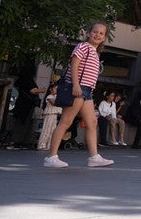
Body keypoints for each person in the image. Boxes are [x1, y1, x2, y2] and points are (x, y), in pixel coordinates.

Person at [43, 22, 114, 168]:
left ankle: (94, 157)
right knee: (66, 122)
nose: (98, 35)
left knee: (92, 123)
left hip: (86, 92)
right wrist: (75, 85)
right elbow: (74, 65)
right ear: (88, 33)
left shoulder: (95, 52)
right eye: (95, 32)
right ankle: (51, 157)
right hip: (78, 88)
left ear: (104, 37)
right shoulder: (83, 47)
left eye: (101, 33)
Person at [8, 66, 41, 149]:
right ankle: (19, 142)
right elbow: (32, 90)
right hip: (28, 105)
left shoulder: (20, 80)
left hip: (19, 103)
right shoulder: (29, 80)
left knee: (18, 122)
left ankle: (15, 141)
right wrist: (42, 90)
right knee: (24, 123)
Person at [36, 83, 61, 151]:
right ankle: (42, 144)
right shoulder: (49, 96)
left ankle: (49, 145)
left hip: (54, 114)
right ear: (50, 89)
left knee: (52, 130)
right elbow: (54, 103)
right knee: (47, 129)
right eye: (55, 89)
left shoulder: (56, 96)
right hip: (50, 113)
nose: (56, 90)